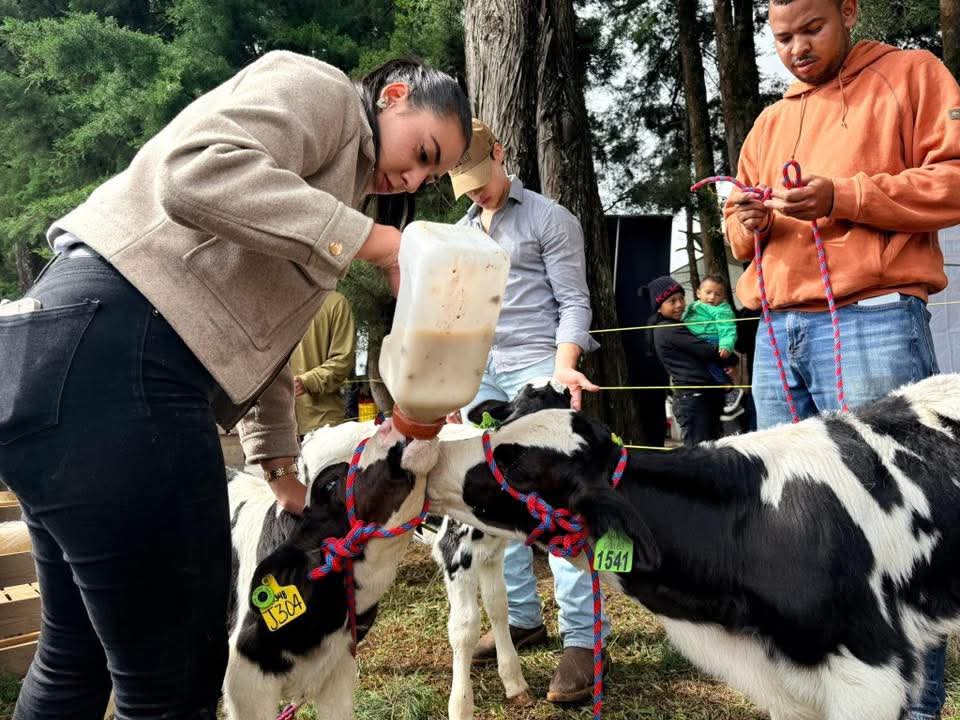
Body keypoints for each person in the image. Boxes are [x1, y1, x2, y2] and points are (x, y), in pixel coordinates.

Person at [0, 52, 471, 720]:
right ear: (393, 95)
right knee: (176, 679)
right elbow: (193, 171)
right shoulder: (324, 92)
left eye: (433, 173)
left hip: (52, 358)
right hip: (123, 358)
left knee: (75, 653)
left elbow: (258, 334)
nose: (415, 175)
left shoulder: (329, 199)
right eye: (423, 150)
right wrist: (377, 242)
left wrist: (277, 459)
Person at [724, 1, 960, 717]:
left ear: (848, 9)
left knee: (898, 526)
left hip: (872, 317)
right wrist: (747, 221)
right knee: (789, 520)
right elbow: (737, 231)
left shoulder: (912, 75)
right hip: (776, 330)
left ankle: (910, 707)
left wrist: (845, 196)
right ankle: (825, 697)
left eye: (812, 30)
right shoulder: (771, 121)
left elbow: (954, 180)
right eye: (782, 37)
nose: (796, 49)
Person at [447, 118, 605, 704]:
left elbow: (573, 300)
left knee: (558, 503)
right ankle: (517, 617)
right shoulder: (459, 234)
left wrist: (564, 366)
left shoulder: (549, 218)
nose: (477, 191)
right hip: (477, 372)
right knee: (487, 497)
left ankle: (583, 640)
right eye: (463, 184)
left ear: (500, 153)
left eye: (481, 176)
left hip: (538, 364)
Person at [648, 276, 737, 446]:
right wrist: (731, 359)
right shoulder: (668, 329)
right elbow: (706, 351)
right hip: (694, 398)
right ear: (658, 307)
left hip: (703, 395)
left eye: (681, 298)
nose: (680, 304)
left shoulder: (680, 323)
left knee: (710, 449)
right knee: (699, 452)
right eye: (672, 301)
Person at [292, 290, 356, 437]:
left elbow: (342, 361)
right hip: (276, 427)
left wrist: (306, 381)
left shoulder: (336, 303)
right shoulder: (273, 303)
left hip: (321, 425)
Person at [682, 273, 737, 385]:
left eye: (717, 294)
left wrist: (726, 344)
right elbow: (683, 318)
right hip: (694, 340)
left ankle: (726, 387)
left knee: (711, 365)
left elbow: (728, 328)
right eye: (708, 292)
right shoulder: (693, 306)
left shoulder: (722, 310)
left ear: (723, 297)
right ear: (698, 293)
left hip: (711, 340)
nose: (712, 297)